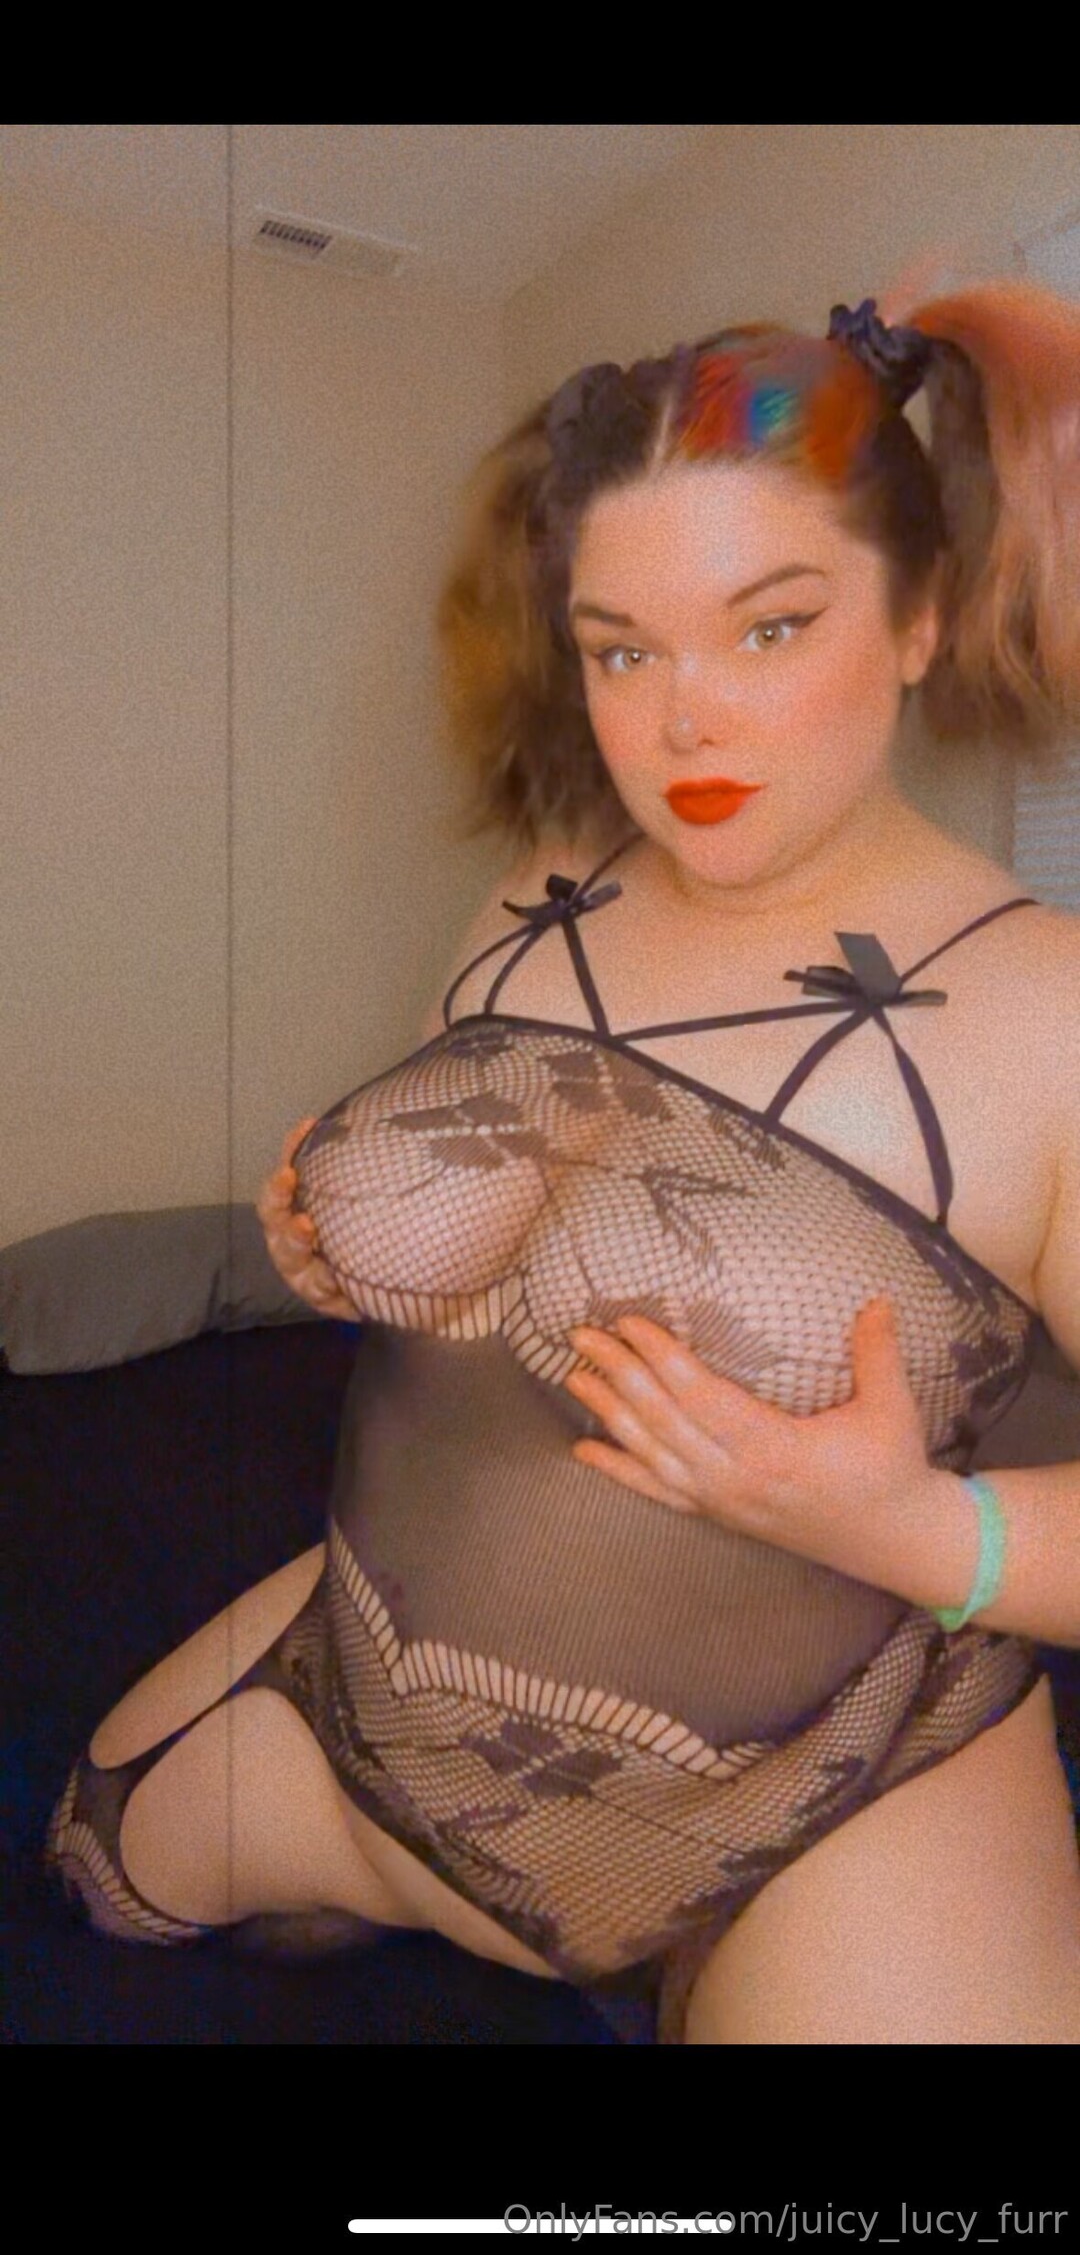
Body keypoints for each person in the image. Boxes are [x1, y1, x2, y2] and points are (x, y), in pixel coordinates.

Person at [45, 283, 1080, 2044]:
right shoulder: (535, 900)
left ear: (918, 618)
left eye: (770, 627)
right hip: (387, 1675)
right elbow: (496, 1279)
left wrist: (922, 1527)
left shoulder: (1049, 1010)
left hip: (837, 1807)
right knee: (94, 1863)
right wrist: (340, 1242)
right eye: (623, 649)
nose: (685, 723)